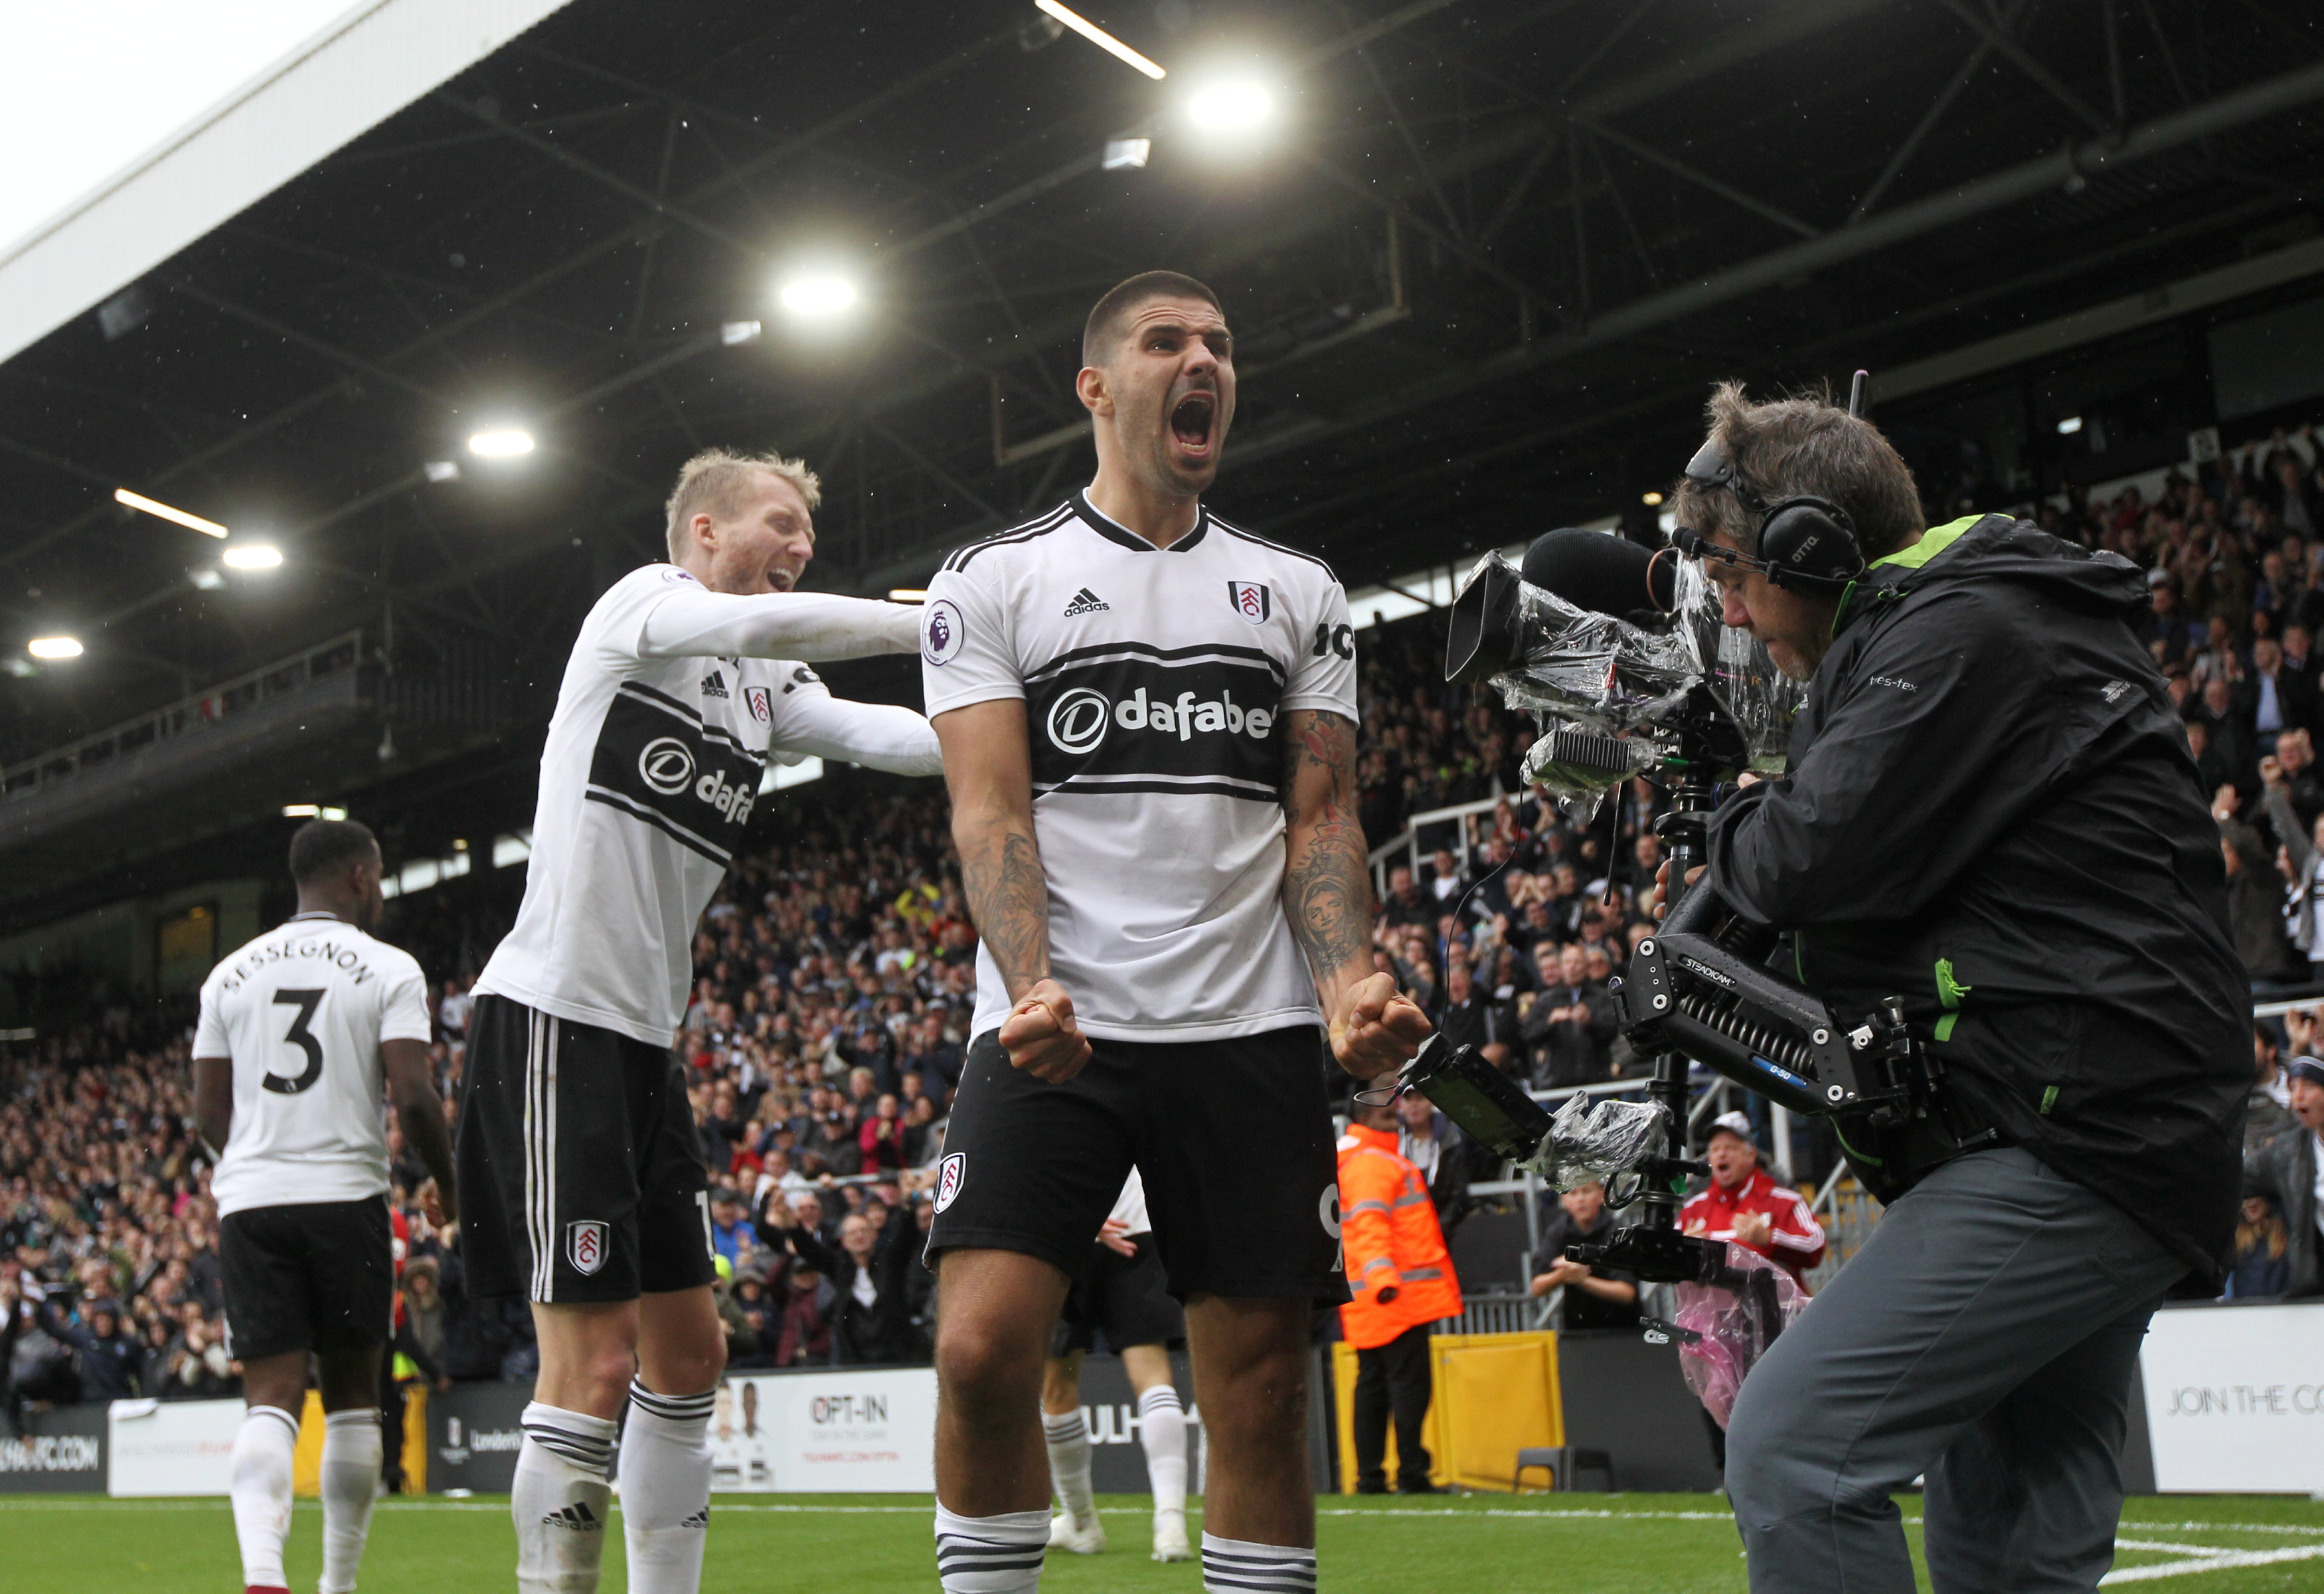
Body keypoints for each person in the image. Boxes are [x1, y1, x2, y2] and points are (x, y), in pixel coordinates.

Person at [1666, 383, 2248, 1593]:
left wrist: (1724, 797)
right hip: (2107, 1125)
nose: (1729, 607)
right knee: (2012, 1542)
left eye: (1732, 571)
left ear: (1808, 547)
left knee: (1794, 1449)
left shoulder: (1961, 626)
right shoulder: (1977, 620)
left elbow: (1799, 858)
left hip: (2074, 1128)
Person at [918, 270, 1431, 1594]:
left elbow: (1319, 817)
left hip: (1248, 1026)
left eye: (1218, 344)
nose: (1201, 360)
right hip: (1057, 1029)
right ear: (1096, 387)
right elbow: (990, 814)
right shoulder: (992, 581)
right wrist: (1029, 983)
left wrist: (1348, 985)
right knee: (981, 1351)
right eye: (1165, 343)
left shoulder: (1299, 591)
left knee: (1257, 1391)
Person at [456, 448, 940, 1594]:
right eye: (780, 524)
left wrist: (1009, 705)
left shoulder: (767, 687)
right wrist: (927, 623)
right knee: (592, 1362)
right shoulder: (641, 606)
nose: (800, 546)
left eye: (808, 536)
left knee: (690, 1354)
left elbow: (897, 741)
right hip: (553, 1022)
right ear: (708, 532)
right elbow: (801, 630)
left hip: (645, 1047)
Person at [192, 819, 452, 1594]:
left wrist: (259, 1163)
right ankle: (336, 1586)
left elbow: (209, 1114)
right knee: (350, 1403)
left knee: (268, 1400)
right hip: (346, 1199)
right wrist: (453, 1184)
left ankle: (263, 1574)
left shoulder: (227, 974)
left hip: (253, 1204)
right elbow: (412, 1096)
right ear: (362, 876)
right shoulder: (387, 967)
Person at [1038, 1170, 1193, 1562]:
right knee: (1154, 1375)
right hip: (1139, 1226)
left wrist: (1076, 1216)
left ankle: (1082, 1523)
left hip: (1072, 1231)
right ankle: (1171, 1526)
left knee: (1057, 1387)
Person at [1337, 1078, 1461, 1496]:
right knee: (1406, 1389)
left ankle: (1371, 1477)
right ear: (1369, 1118)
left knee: (1372, 1386)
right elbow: (1369, 1227)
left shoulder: (1357, 1159)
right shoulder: (1374, 1162)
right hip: (1396, 1297)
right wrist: (1384, 1280)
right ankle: (1410, 1472)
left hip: (1371, 1297)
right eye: (1390, 1115)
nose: (1399, 1121)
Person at [1679, 1112, 1827, 1293]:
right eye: (1715, 1149)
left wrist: (1769, 1238)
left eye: (1730, 1148)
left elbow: (1815, 1244)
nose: (1722, 1155)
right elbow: (1663, 1261)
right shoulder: (1693, 1208)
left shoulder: (1784, 1200)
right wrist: (1684, 1250)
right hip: (1714, 1317)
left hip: (1779, 1314)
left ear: (1751, 1155)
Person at [2242, 1056, 2324, 1298]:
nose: (2297, 1097)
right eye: (2292, 1087)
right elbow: (2236, 1178)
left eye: (2308, 1087)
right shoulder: (2289, 1150)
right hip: (2315, 1286)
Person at [1528, 1180, 1639, 1332]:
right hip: (1577, 1332)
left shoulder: (1617, 1233)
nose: (1580, 1200)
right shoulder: (1558, 1232)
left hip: (1624, 1330)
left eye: (1587, 1191)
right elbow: (1537, 1287)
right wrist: (1562, 1275)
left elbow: (1626, 1293)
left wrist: (1582, 1280)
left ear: (1602, 1195)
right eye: (1573, 1193)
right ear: (1563, 1200)